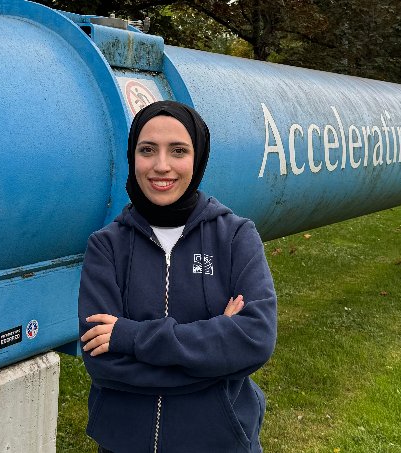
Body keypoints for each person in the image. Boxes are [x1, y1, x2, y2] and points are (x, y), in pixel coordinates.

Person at [78, 100, 277, 453]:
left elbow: (255, 338)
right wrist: (215, 356)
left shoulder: (235, 236)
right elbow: (103, 363)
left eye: (178, 150)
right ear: (132, 156)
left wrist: (130, 337)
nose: (161, 165)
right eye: (147, 150)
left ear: (198, 158)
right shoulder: (106, 246)